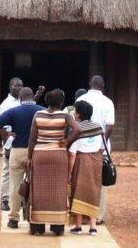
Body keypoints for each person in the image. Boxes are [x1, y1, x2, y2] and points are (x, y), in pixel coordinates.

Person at [27, 88, 80, 236]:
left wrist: (29, 157)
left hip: (40, 155)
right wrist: (66, 141)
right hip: (58, 156)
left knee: (39, 191)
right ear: (62, 102)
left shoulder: (38, 115)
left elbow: (32, 139)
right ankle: (57, 227)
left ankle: (38, 227)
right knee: (58, 190)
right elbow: (78, 129)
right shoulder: (65, 115)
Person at [0, 87, 45, 229]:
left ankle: (14, 218)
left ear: (20, 99)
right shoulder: (42, 111)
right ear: (32, 97)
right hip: (36, 152)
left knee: (15, 185)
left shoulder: (13, 111)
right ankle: (35, 217)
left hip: (17, 151)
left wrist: (6, 133)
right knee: (36, 185)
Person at [75, 76, 114, 224]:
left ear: (89, 84)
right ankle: (98, 216)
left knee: (81, 181)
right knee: (100, 182)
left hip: (82, 147)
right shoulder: (108, 102)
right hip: (101, 148)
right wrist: (103, 144)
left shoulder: (81, 100)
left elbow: (76, 122)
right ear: (103, 86)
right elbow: (110, 127)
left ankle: (83, 215)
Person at [68, 100, 104, 236]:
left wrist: (69, 173)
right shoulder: (98, 127)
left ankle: (78, 226)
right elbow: (102, 147)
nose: (73, 113)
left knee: (78, 192)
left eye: (75, 110)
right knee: (94, 192)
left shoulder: (77, 129)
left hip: (81, 161)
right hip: (97, 162)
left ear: (78, 114)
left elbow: (72, 154)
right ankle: (93, 227)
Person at [0, 77, 23, 211]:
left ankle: (18, 199)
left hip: (21, 141)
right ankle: (4, 199)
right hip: (9, 141)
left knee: (20, 171)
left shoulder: (21, 102)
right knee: (7, 171)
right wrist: (6, 147)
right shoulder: (6, 104)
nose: (18, 88)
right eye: (16, 86)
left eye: (21, 86)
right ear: (10, 87)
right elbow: (3, 128)